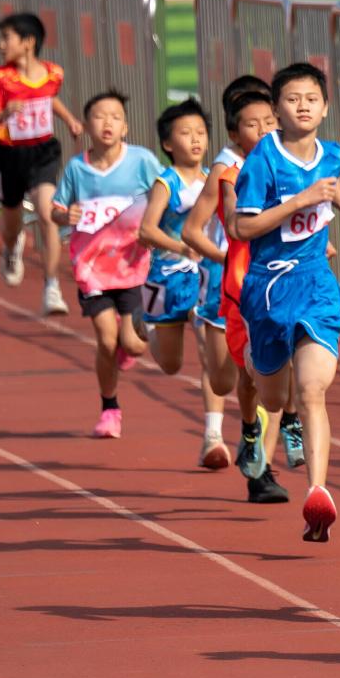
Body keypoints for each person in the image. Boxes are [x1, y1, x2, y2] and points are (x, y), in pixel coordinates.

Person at [230, 63, 340, 537]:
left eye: (312, 99)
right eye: (292, 99)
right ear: (277, 108)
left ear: (325, 108)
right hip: (268, 288)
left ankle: (317, 493)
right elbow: (241, 227)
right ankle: (256, 366)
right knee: (272, 395)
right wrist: (299, 201)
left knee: (311, 390)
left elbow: (332, 187)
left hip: (315, 283)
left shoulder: (334, 154)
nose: (303, 106)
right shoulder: (262, 161)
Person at [182, 79, 293, 496]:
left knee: (273, 373)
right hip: (229, 289)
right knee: (228, 380)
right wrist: (226, 259)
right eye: (252, 122)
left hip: (279, 284)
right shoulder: (226, 170)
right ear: (234, 131)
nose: (263, 129)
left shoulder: (291, 161)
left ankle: (262, 472)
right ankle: (237, 430)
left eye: (269, 120)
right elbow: (195, 230)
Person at [50, 91, 163, 438]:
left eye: (115, 117)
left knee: (134, 344)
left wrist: (156, 227)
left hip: (134, 267)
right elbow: (56, 210)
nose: (107, 123)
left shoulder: (141, 161)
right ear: (86, 126)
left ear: (125, 127)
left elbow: (166, 193)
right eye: (100, 117)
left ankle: (127, 348)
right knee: (105, 340)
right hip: (92, 270)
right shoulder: (77, 168)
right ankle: (109, 408)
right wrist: (65, 214)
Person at [138, 98, 227, 468]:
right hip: (168, 277)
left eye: (201, 133)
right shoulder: (166, 182)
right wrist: (181, 246)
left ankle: (213, 436)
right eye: (185, 133)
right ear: (167, 143)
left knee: (209, 350)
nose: (195, 140)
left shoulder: (215, 180)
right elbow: (146, 230)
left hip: (204, 277)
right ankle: (146, 324)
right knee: (171, 364)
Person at [0, 12, 84, 315]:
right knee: (11, 223)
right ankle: (12, 247)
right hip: (9, 156)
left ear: (28, 42)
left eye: (6, 38)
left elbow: (49, 98)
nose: (1, 45)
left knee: (48, 214)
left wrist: (70, 120)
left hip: (42, 153)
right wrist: (4, 113)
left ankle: (52, 287)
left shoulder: (53, 73)